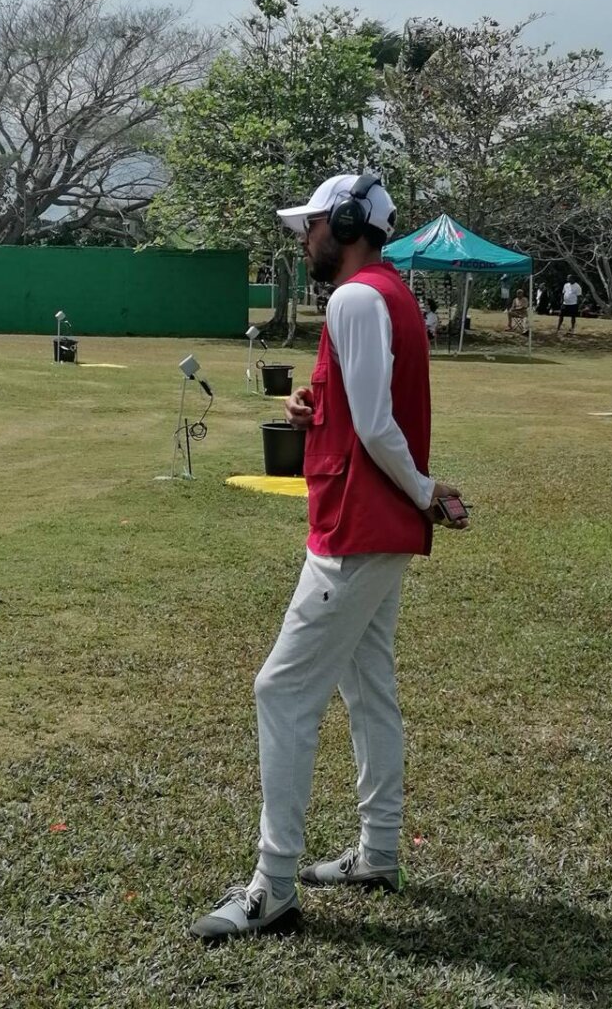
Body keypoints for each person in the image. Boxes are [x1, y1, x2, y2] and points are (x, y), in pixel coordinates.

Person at [190, 172, 467, 942]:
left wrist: (424, 491)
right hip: (376, 527)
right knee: (368, 686)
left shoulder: (354, 299)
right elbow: (364, 406)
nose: (304, 239)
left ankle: (273, 886)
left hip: (357, 527)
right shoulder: (388, 294)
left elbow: (377, 425)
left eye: (310, 225)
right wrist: (315, 406)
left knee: (280, 690)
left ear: (344, 223)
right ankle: (379, 852)